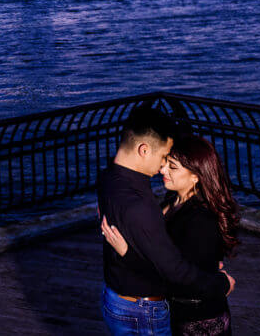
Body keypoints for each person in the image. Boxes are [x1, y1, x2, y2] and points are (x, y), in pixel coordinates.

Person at [97, 106, 234, 335]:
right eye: (164, 159)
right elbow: (173, 272)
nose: (162, 168)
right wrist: (222, 283)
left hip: (196, 319)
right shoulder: (154, 204)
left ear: (196, 176)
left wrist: (218, 281)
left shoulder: (110, 178)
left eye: (171, 165)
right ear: (143, 150)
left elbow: (179, 273)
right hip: (148, 310)